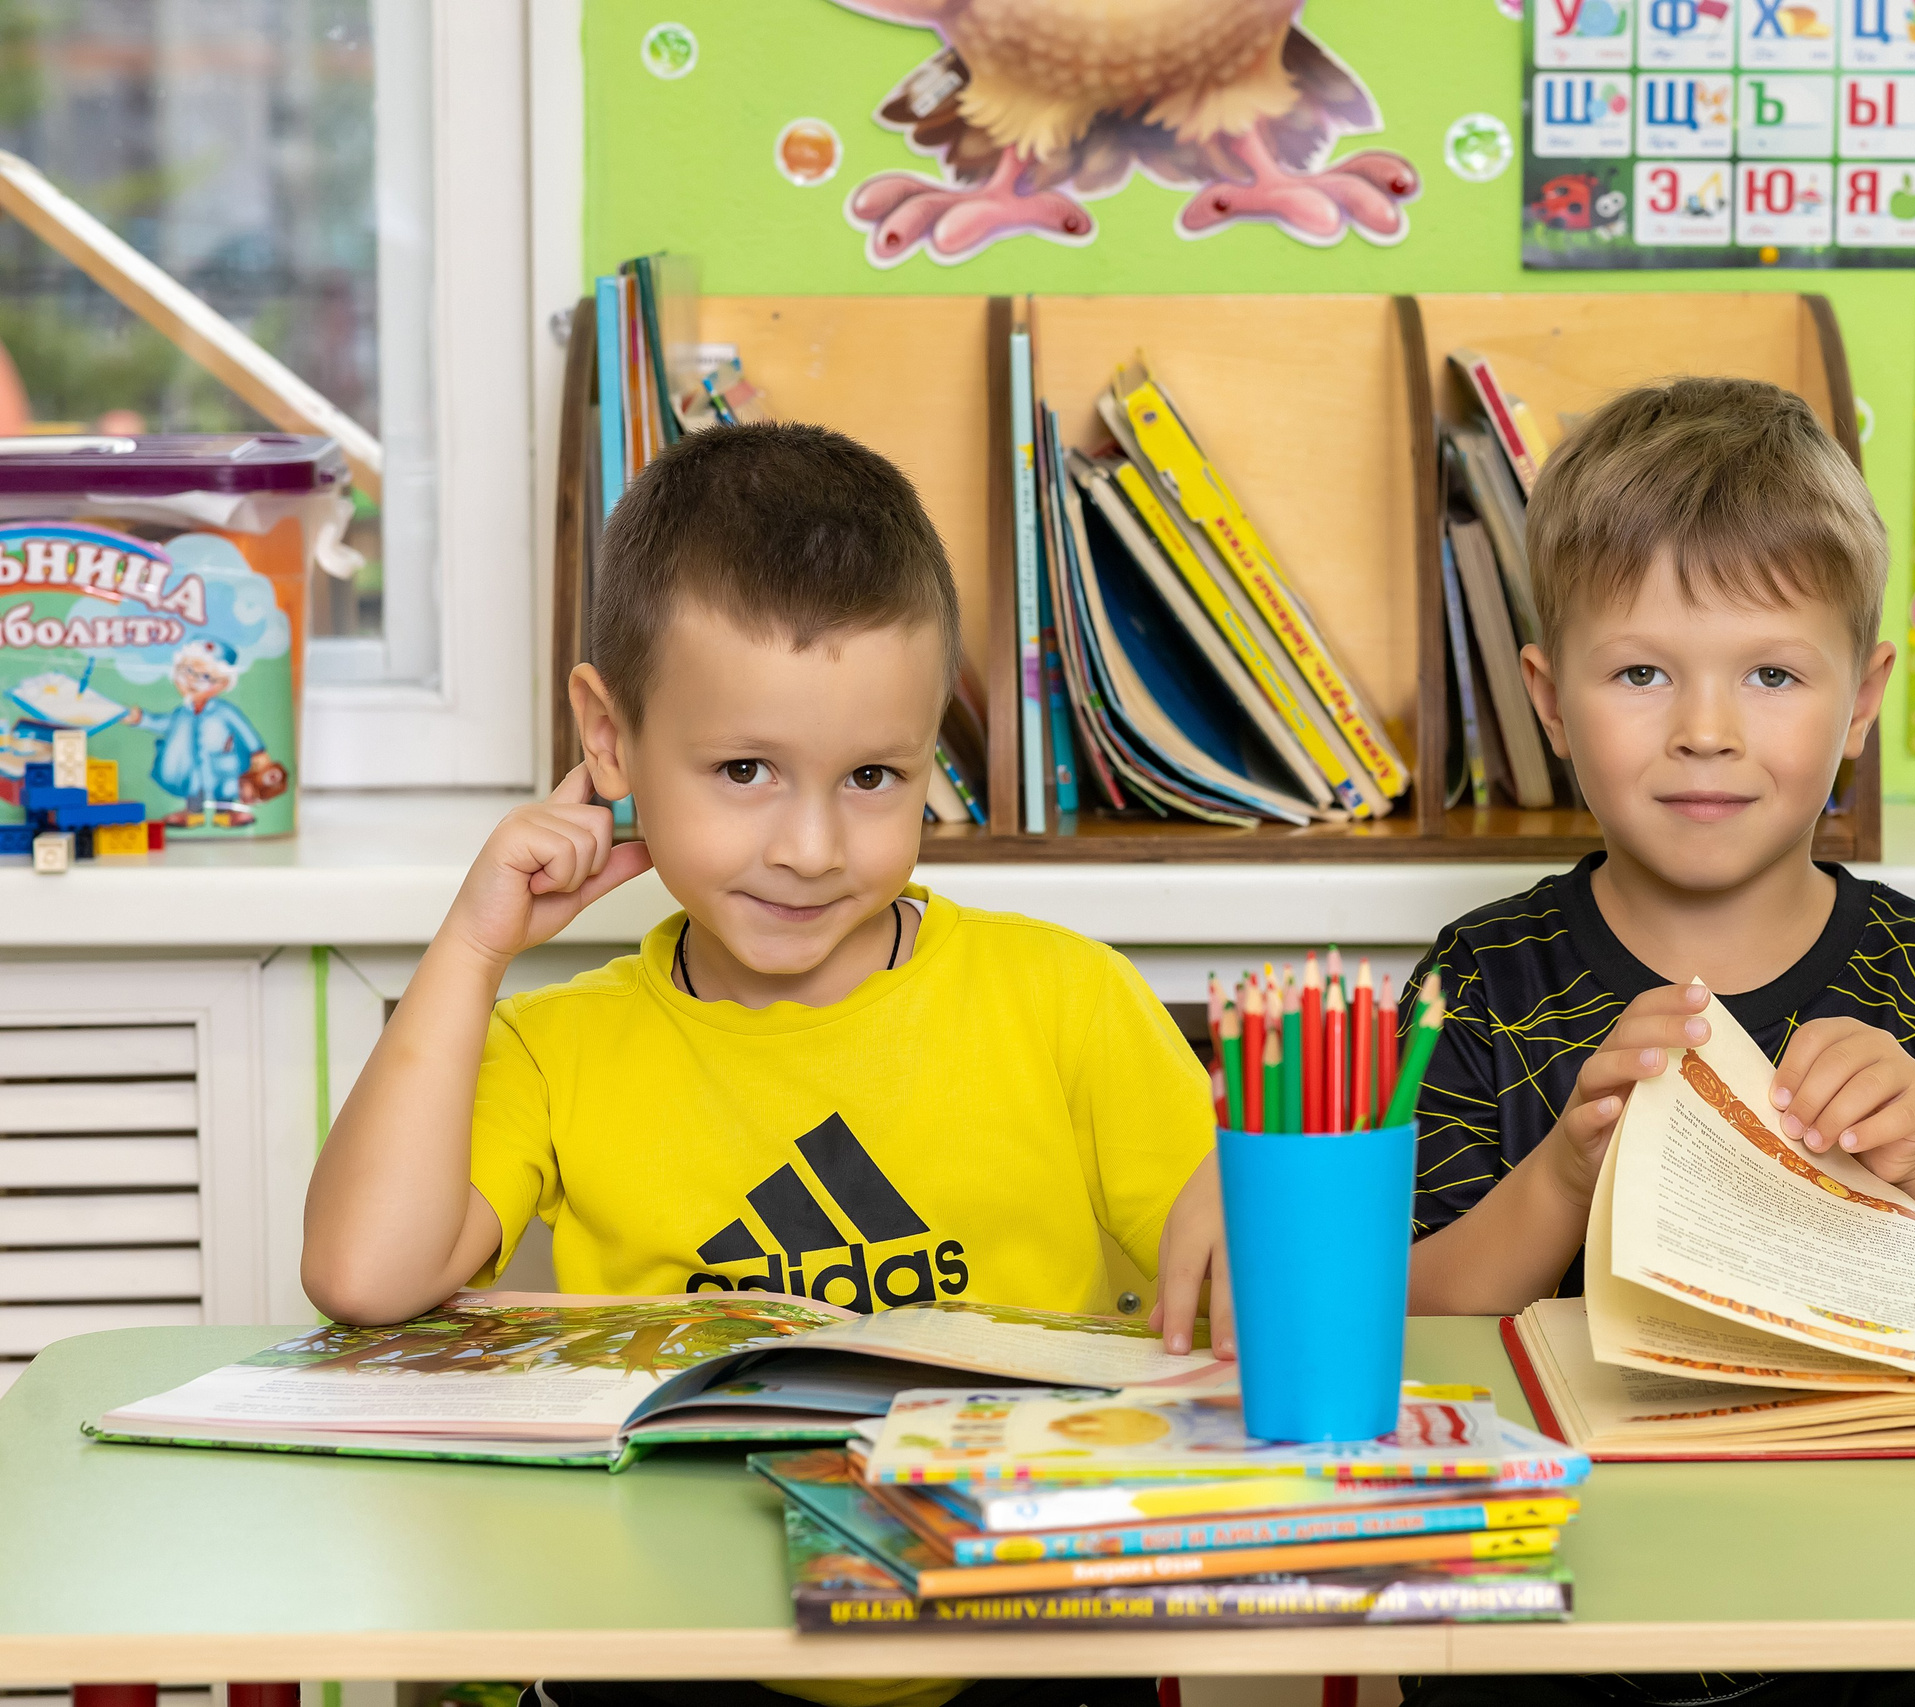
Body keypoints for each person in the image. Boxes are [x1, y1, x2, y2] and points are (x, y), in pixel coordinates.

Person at [303, 422, 1225, 1707]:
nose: (808, 845)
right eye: (744, 769)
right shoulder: (557, 1043)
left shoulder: (1065, 1000)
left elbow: (1237, 1274)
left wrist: (1244, 1208)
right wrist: (472, 944)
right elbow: (364, 1275)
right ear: (608, 740)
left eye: (872, 776)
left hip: (1013, 1636)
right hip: (679, 1643)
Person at [1401, 378, 1915, 1707]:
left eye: (1772, 672)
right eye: (1642, 670)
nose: (1706, 728)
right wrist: (1559, 1171)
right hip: (1556, 1618)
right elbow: (1403, 1330)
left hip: (1896, 1612)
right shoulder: (1483, 980)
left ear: (1861, 698)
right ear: (1550, 697)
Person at [123, 636, 278, 828]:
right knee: (194, 789)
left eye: (205, 677)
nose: (192, 680)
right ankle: (193, 814)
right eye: (187, 671)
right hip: (191, 765)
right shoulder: (183, 712)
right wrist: (141, 719)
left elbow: (243, 728)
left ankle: (228, 813)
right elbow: (165, 724)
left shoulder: (224, 711)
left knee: (224, 789)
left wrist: (258, 751)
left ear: (222, 683)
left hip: (223, 764)